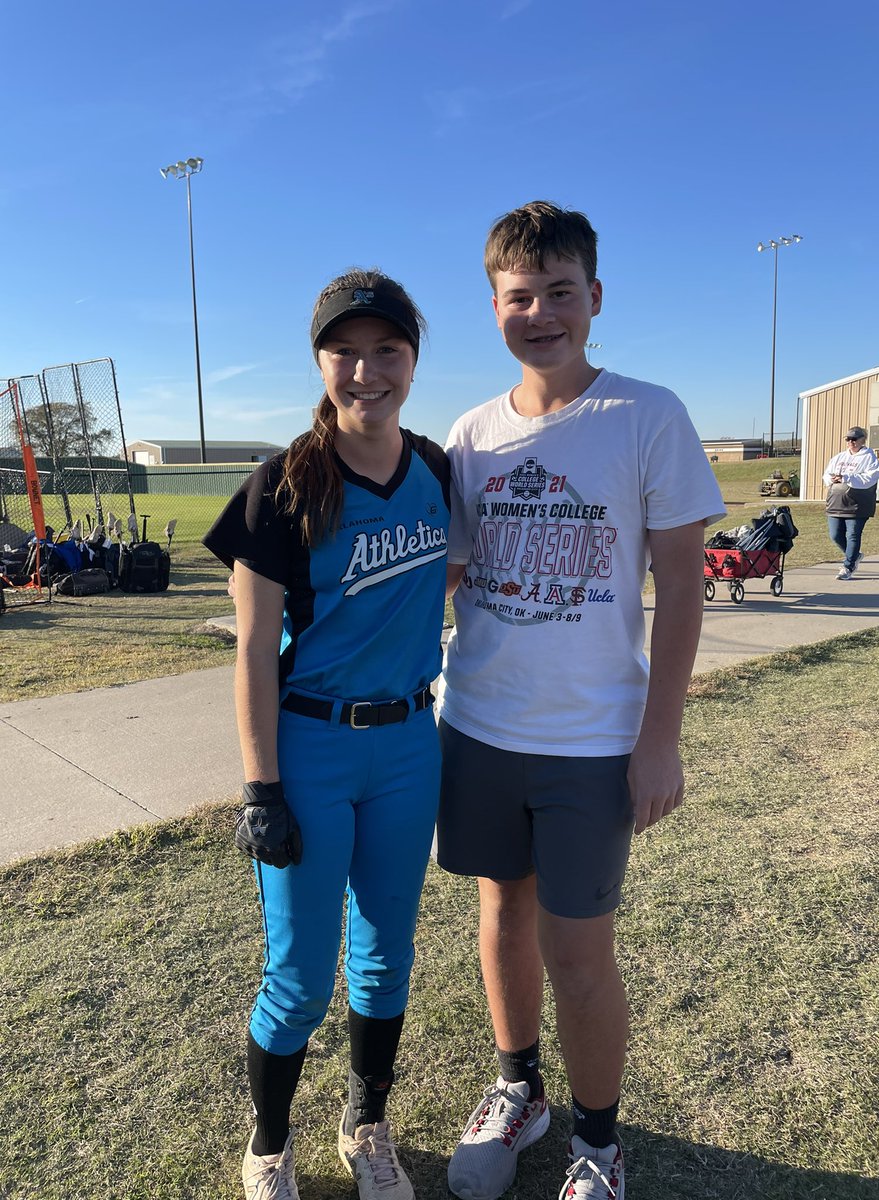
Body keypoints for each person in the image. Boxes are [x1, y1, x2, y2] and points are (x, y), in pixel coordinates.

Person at [435, 202, 724, 1200]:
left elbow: (682, 586)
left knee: (579, 948)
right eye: (520, 297)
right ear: (494, 307)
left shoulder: (648, 415)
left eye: (561, 292)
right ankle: (519, 1092)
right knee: (501, 915)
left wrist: (660, 740)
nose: (542, 314)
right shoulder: (471, 434)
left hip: (593, 741)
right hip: (478, 727)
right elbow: (450, 574)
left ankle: (599, 1146)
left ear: (595, 297)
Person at [203, 269, 450, 1200]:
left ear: (413, 361)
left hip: (409, 743)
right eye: (345, 351)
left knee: (386, 960)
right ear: (319, 361)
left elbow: (446, 573)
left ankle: (365, 1127)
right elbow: (253, 648)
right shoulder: (282, 484)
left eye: (387, 349)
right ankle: (269, 1146)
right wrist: (261, 788)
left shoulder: (437, 468)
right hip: (311, 746)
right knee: (301, 975)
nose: (366, 370)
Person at [822, 425, 879, 579]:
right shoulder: (839, 457)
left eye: (854, 439)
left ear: (863, 440)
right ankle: (855, 555)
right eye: (848, 439)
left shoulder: (869, 458)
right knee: (835, 535)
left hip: (857, 505)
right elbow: (826, 474)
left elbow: (870, 478)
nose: (851, 442)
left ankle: (848, 566)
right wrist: (831, 479)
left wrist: (847, 478)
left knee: (853, 534)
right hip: (836, 503)